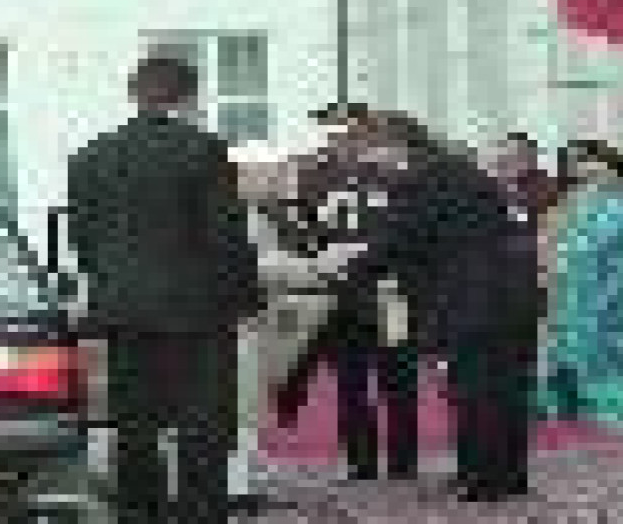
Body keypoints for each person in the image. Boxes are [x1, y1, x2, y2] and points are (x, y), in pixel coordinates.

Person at [67, 57, 265, 523]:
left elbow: (83, 238)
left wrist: (109, 286)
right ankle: (201, 511)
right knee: (204, 423)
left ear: (133, 94)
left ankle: (139, 511)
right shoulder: (204, 150)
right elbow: (226, 235)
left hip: (123, 308)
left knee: (134, 423)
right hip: (198, 311)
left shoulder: (92, 155)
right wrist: (246, 299)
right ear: (190, 98)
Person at [315, 108, 541, 502]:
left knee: (474, 387)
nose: (367, 161)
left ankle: (483, 480)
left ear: (393, 145)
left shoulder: (419, 179)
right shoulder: (451, 168)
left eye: (369, 150)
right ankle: (506, 474)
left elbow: (397, 241)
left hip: (475, 295)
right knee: (505, 387)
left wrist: (340, 267)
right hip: (510, 291)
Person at [270, 102, 422, 482]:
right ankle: (361, 461)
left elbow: (413, 225)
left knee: (397, 376)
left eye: (349, 132)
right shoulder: (312, 176)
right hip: (341, 292)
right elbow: (300, 232)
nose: (341, 139)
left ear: (367, 133)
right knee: (350, 381)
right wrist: (308, 250)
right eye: (333, 132)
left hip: (390, 289)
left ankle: (403, 461)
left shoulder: (394, 174)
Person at [536, 140, 623, 423]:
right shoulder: (566, 202)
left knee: (612, 347)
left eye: (587, 160)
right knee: (567, 347)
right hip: (571, 293)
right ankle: (566, 398)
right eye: (573, 162)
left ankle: (612, 401)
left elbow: (612, 245)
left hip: (616, 292)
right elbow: (550, 241)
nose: (582, 168)